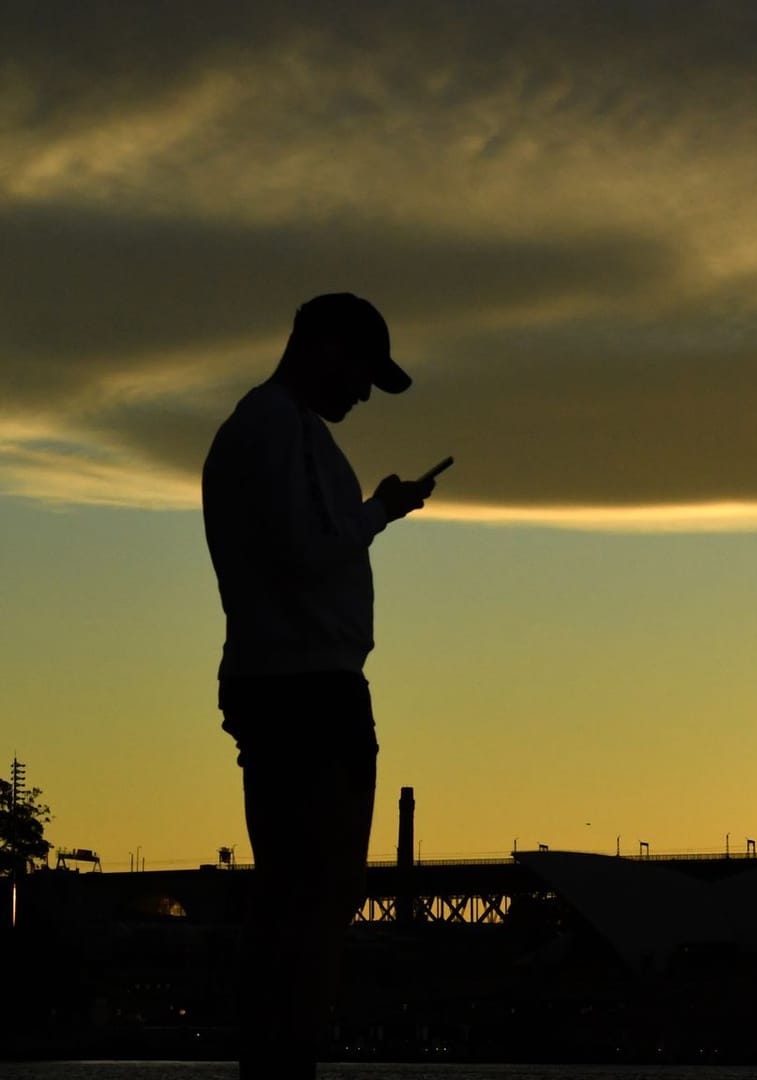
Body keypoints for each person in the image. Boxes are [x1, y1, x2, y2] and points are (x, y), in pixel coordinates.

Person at [201, 293, 437, 1079]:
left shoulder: (261, 428)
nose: (364, 394)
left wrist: (378, 510)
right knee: (320, 889)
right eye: (363, 373)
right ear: (325, 350)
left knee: (294, 890)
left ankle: (275, 1054)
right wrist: (377, 511)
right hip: (307, 686)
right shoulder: (282, 427)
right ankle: (287, 1056)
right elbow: (307, 550)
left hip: (279, 681)